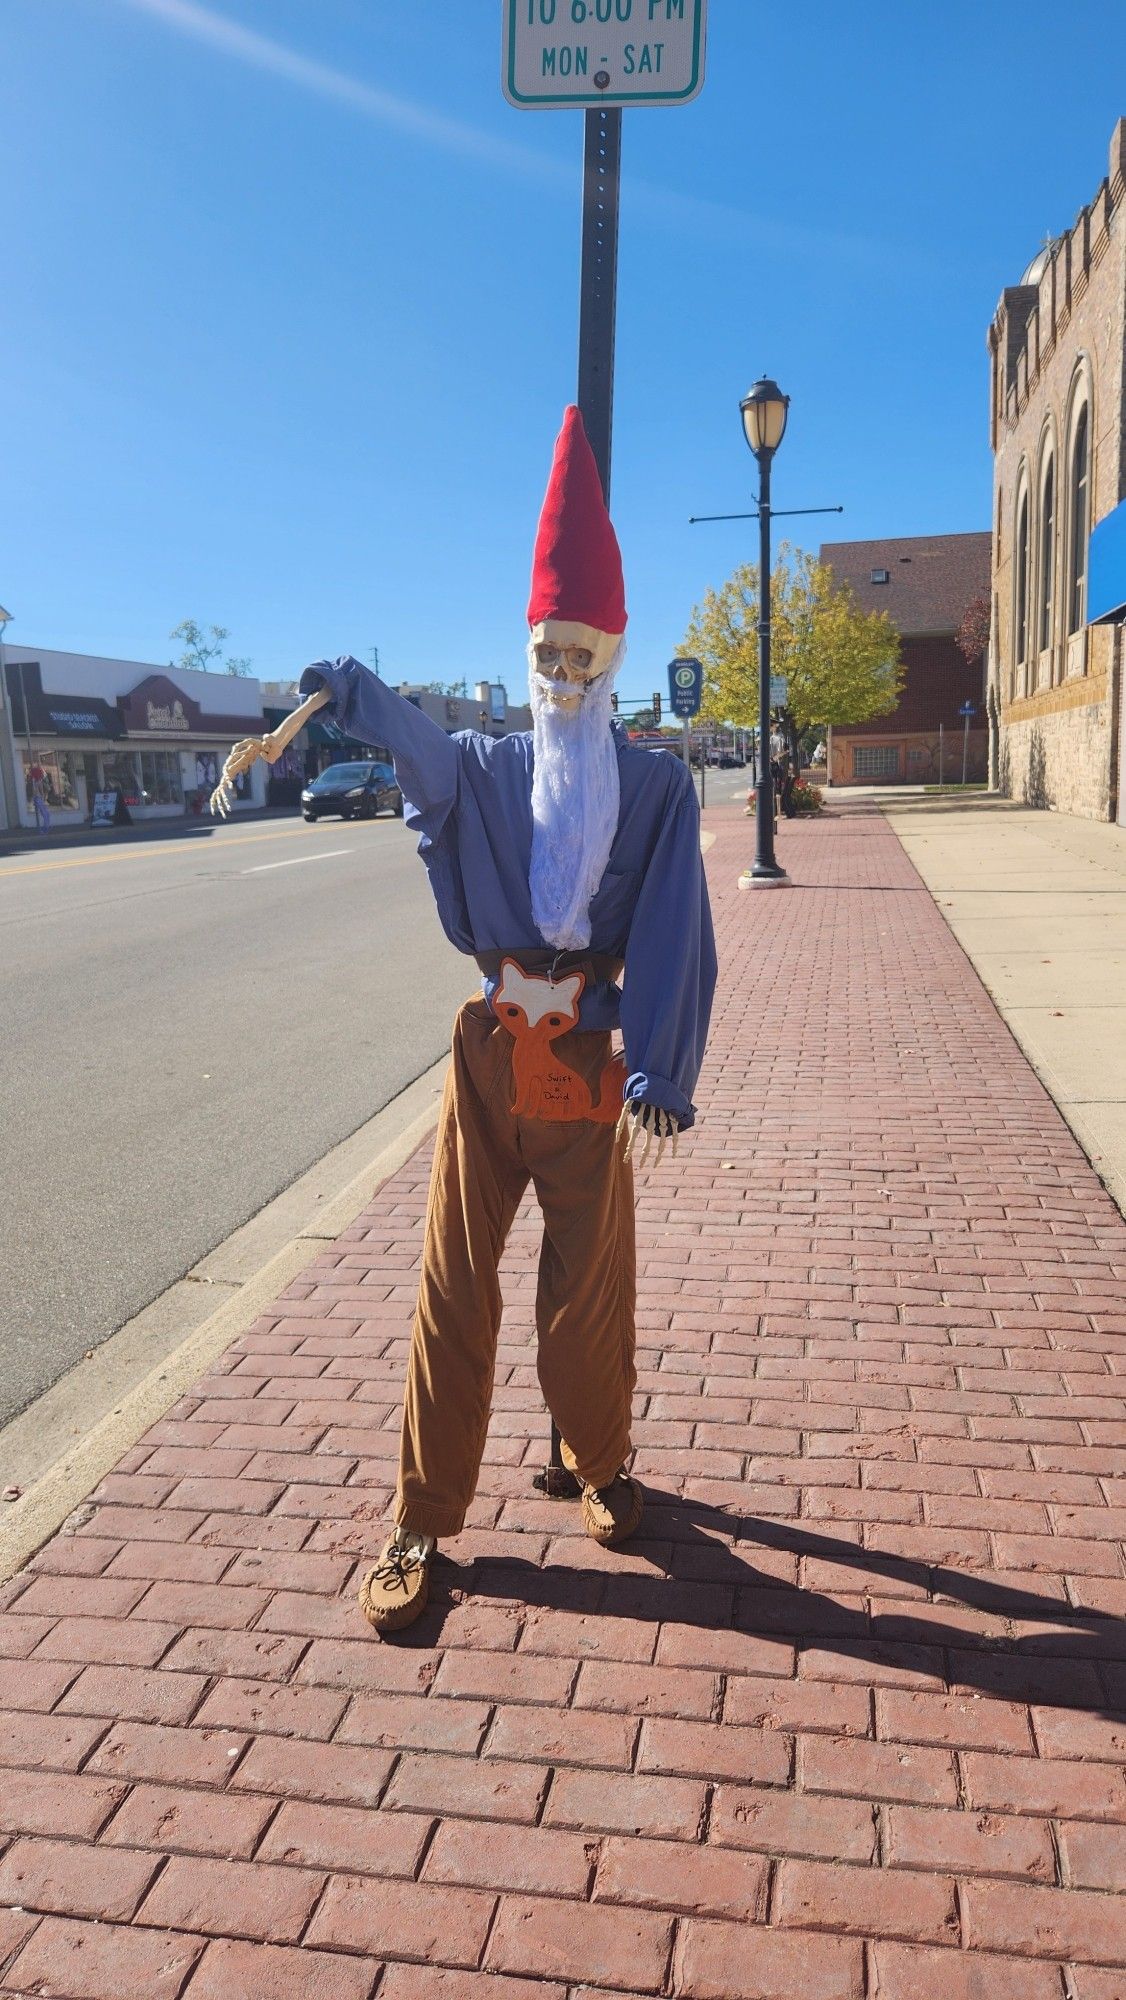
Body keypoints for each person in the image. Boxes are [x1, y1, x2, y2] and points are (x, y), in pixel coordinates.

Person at [211, 407, 716, 1635]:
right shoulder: (487, 768)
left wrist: (659, 1059)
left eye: (582, 656)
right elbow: (417, 746)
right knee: (454, 1277)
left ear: (616, 653)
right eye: (546, 653)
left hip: (590, 1065)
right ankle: (422, 1515)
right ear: (528, 646)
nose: (561, 678)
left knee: (586, 1284)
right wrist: (336, 693)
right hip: (491, 1057)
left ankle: (596, 1458)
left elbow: (674, 927)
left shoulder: (654, 784)